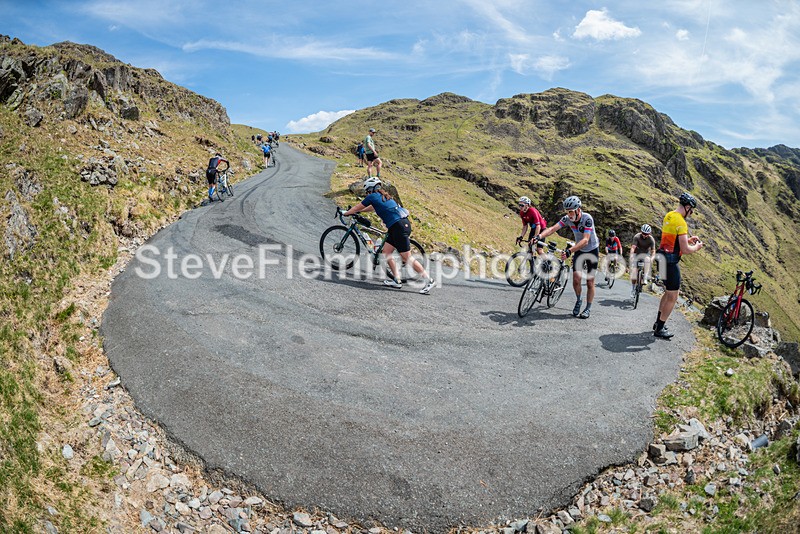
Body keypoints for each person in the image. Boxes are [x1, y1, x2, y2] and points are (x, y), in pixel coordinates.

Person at [342, 178, 435, 295]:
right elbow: (371, 208)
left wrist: (346, 212)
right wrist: (360, 212)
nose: (367, 194)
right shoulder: (384, 196)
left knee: (407, 257)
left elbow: (357, 207)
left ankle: (429, 280)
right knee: (386, 253)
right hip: (399, 225)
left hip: (398, 227)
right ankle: (397, 280)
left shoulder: (372, 197)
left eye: (367, 191)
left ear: (370, 190)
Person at [538, 195, 599, 319]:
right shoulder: (567, 219)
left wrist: (570, 251)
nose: (569, 214)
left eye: (571, 211)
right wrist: (538, 237)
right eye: (567, 211)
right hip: (579, 250)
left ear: (578, 210)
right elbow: (552, 229)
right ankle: (579, 300)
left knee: (589, 282)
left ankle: (587, 308)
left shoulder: (587, 219)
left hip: (592, 250)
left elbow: (586, 240)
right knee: (576, 279)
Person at [653, 192, 703, 339]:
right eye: (691, 211)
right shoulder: (681, 222)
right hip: (670, 261)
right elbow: (686, 250)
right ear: (687, 207)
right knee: (673, 296)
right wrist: (697, 247)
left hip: (660, 257)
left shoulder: (669, 215)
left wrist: (688, 239)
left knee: (667, 292)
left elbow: (673, 239)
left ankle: (658, 323)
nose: (691, 213)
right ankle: (659, 328)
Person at [629, 224, 656, 299]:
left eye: (646, 234)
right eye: (643, 233)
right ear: (641, 232)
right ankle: (633, 288)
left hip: (645, 254)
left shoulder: (651, 239)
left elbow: (653, 251)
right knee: (634, 273)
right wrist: (631, 255)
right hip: (636, 254)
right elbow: (633, 247)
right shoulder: (637, 236)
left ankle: (645, 277)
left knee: (648, 259)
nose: (644, 235)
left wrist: (652, 258)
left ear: (649, 234)